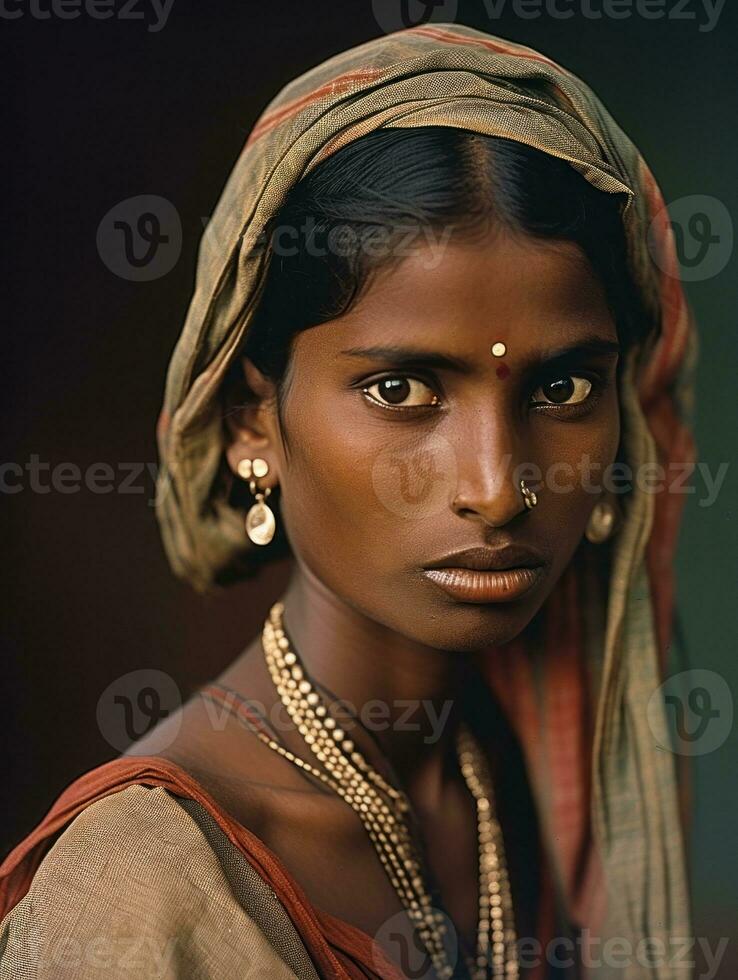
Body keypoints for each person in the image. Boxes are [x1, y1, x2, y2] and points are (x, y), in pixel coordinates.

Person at [0, 22, 696, 980]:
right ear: (253, 423)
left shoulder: (547, 779)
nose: (497, 488)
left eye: (563, 389)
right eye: (402, 389)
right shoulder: (144, 890)